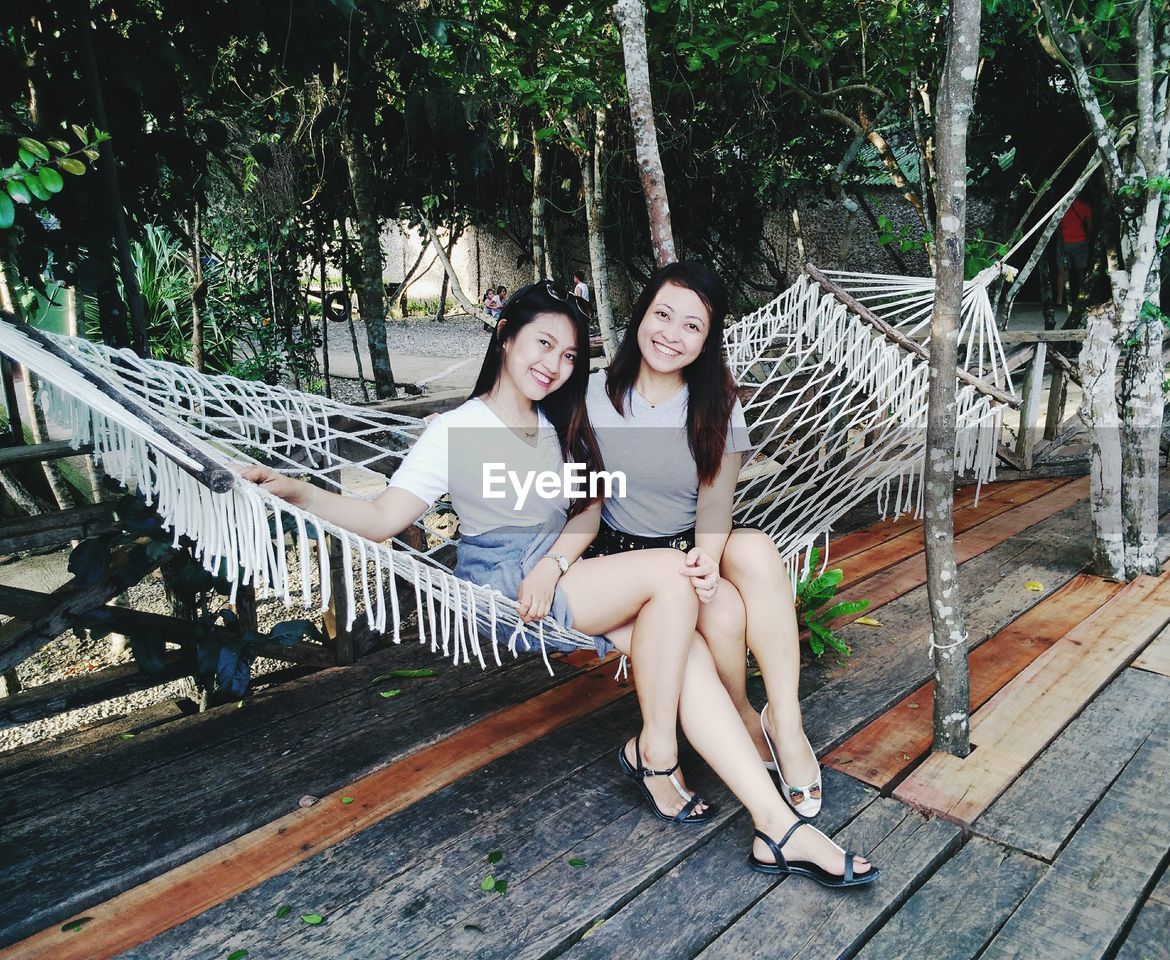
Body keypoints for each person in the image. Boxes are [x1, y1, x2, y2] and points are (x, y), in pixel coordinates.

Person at [240, 279, 875, 887]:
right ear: (505, 337)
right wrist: (301, 491)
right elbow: (381, 518)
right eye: (542, 344)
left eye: (570, 354)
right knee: (671, 579)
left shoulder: (561, 421)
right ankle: (660, 753)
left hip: (563, 571)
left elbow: (588, 510)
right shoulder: (455, 432)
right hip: (500, 588)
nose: (555, 364)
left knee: (688, 655)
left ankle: (771, 824)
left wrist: (555, 564)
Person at [584, 261, 826, 822]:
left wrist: (708, 562)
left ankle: (785, 723)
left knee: (756, 551)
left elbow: (717, 506)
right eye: (662, 314)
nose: (671, 334)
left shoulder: (717, 404)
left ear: (708, 339)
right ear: (640, 315)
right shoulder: (594, 394)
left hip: (690, 545)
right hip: (621, 556)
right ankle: (744, 716)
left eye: (692, 325)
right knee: (722, 617)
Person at [1056, 196, 1093, 306]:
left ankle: (1059, 299)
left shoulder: (1063, 207)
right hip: (1081, 242)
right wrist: (1088, 239)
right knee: (1080, 271)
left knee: (1062, 271)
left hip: (1065, 242)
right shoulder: (1085, 207)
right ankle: (1080, 298)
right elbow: (1090, 225)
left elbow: (1058, 226)